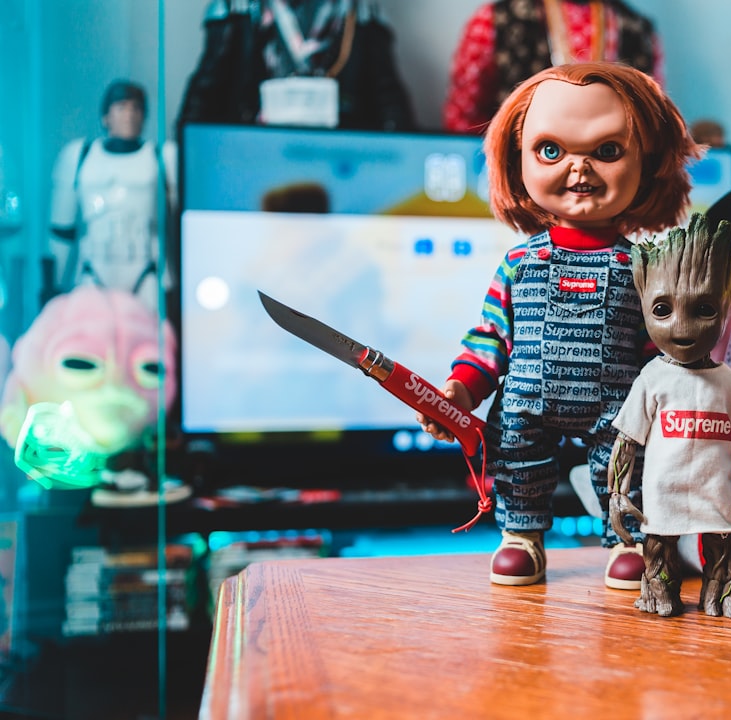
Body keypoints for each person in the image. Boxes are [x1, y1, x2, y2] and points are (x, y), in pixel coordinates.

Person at [418, 62, 701, 589]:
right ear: (517, 159)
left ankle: (625, 538)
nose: (579, 170)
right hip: (526, 404)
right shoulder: (518, 264)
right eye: (551, 151)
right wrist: (461, 389)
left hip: (619, 409)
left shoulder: (643, 268)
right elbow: (490, 337)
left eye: (608, 151)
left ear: (650, 162)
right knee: (518, 468)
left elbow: (658, 348)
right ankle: (522, 538)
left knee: (623, 472)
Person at [607, 214, 731, 617]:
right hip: (663, 492)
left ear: (726, 302)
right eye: (662, 309)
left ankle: (724, 591)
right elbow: (628, 440)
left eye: (704, 309)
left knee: (723, 548)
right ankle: (659, 591)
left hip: (713, 491)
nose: (683, 326)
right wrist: (616, 493)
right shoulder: (652, 378)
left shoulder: (730, 384)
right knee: (659, 549)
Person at [178, 0, 416, 131]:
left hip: (336, 162)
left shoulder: (359, 13)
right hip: (255, 156)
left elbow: (390, 104)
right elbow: (203, 99)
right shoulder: (236, 10)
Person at [49, 80, 176, 311]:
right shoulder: (80, 157)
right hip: (93, 269)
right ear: (106, 116)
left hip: (146, 269)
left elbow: (177, 225)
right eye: (122, 107)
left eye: (136, 108)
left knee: (147, 340)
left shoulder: (162, 157)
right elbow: (62, 230)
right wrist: (53, 284)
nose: (129, 115)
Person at [443, 0, 663, 133]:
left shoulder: (637, 30)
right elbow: (463, 119)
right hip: (517, 181)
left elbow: (653, 121)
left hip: (613, 185)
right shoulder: (495, 20)